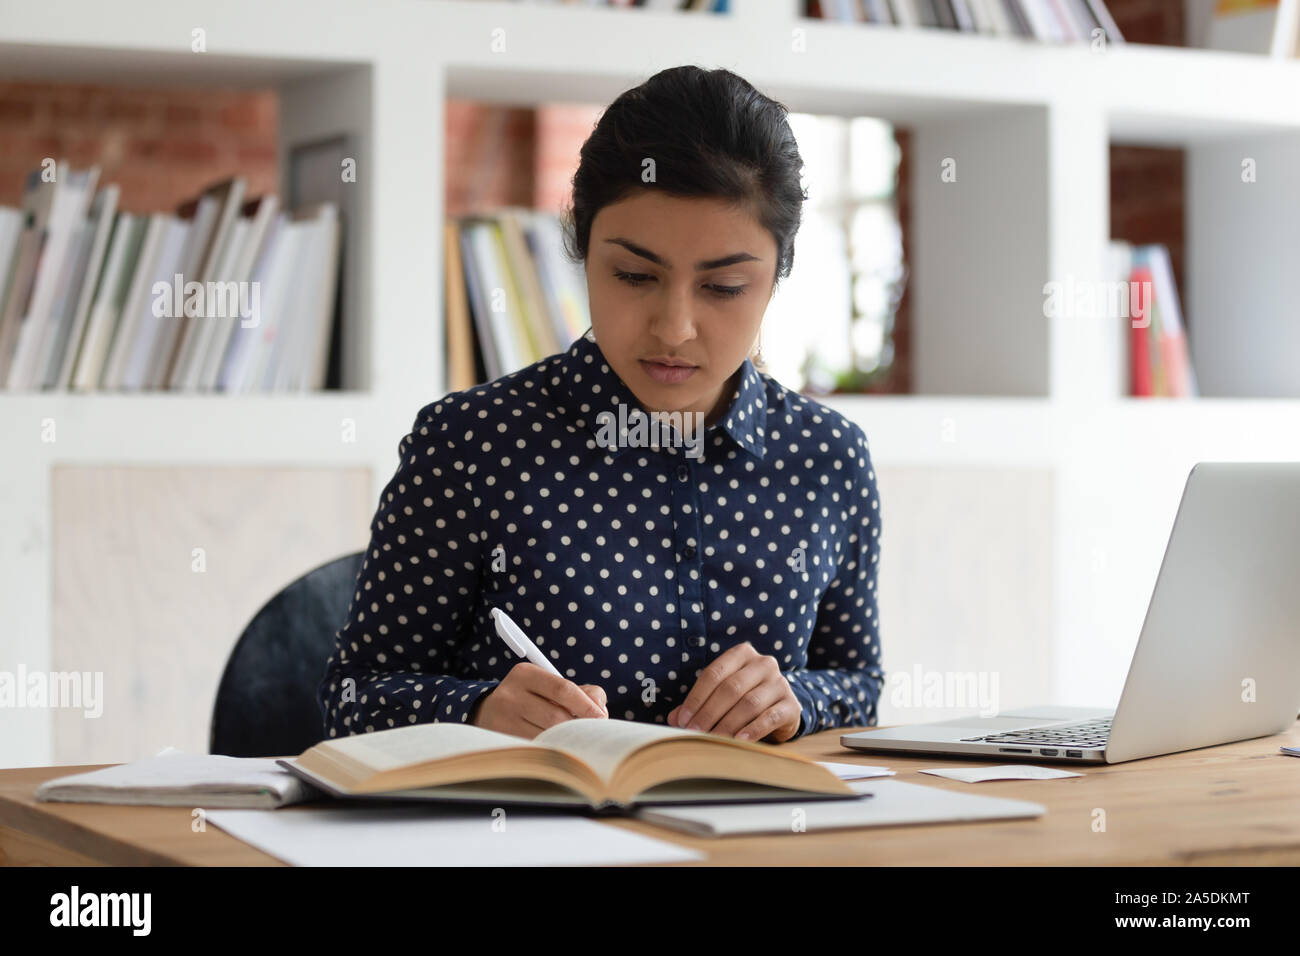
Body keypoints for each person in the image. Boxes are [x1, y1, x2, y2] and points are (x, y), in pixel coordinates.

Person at [317, 65, 883, 745]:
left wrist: (798, 698)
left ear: (779, 272)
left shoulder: (829, 460)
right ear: (582, 249)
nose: (674, 328)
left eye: (724, 286)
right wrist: (476, 712)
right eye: (635, 276)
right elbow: (354, 697)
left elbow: (858, 681)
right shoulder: (470, 446)